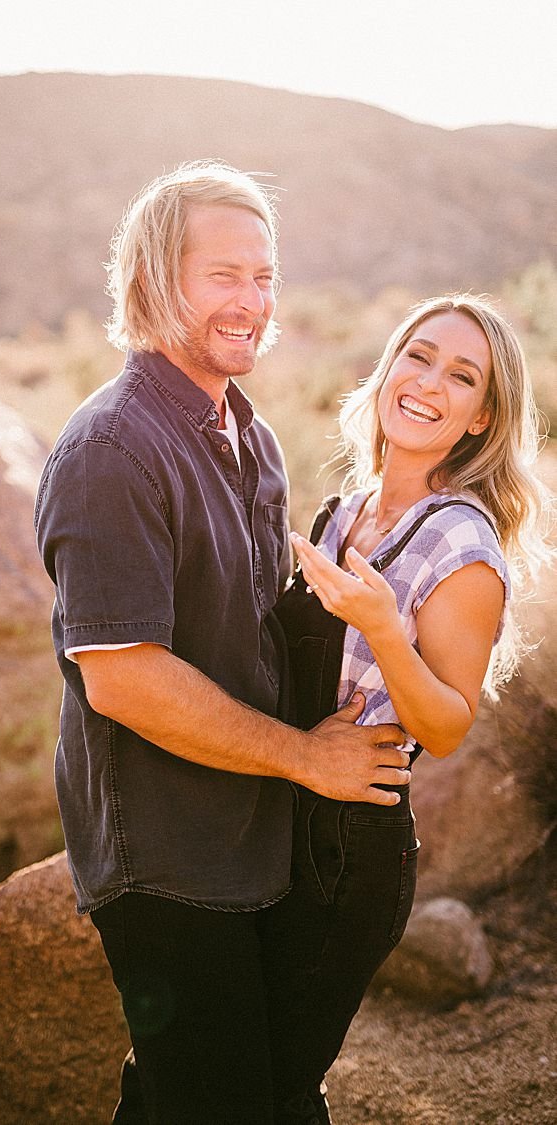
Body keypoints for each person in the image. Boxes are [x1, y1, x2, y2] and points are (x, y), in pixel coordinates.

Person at [33, 162, 413, 1123]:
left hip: (254, 836)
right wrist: (305, 756)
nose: (253, 301)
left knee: (196, 1094)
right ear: (156, 280)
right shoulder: (111, 451)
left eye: (265, 276)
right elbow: (124, 681)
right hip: (166, 854)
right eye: (224, 276)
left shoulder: (251, 436)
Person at [266, 294, 551, 1121]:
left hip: (350, 847)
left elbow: (448, 724)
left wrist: (387, 626)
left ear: (480, 418)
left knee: (271, 1081)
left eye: (462, 376)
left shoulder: (462, 545)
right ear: (389, 368)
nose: (429, 382)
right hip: (282, 814)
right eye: (418, 356)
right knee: (223, 1065)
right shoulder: (345, 510)